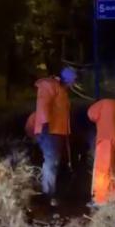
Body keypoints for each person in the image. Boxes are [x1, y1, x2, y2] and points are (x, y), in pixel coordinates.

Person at [33, 66, 76, 206]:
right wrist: (46, 126)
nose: (73, 84)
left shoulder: (62, 90)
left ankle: (52, 192)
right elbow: (43, 104)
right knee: (51, 162)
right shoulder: (49, 85)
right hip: (49, 131)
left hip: (58, 132)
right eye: (73, 80)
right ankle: (47, 195)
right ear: (67, 79)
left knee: (55, 162)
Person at [87, 98, 115, 206]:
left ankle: (100, 199)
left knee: (103, 169)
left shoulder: (101, 103)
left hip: (107, 137)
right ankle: (114, 197)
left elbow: (91, 115)